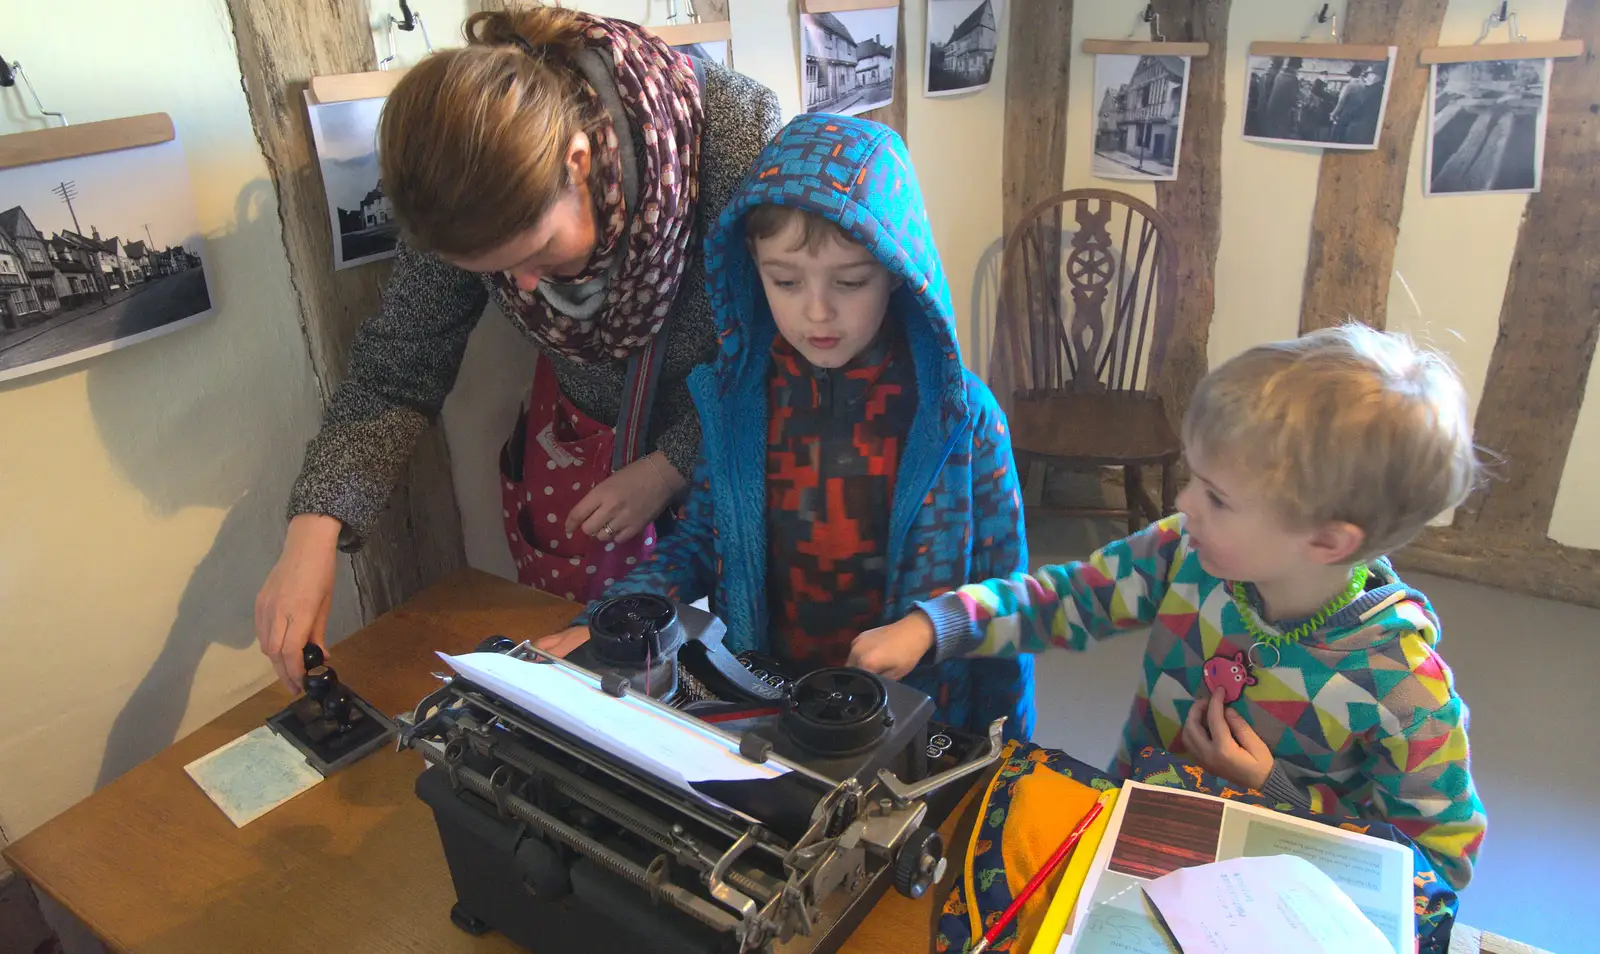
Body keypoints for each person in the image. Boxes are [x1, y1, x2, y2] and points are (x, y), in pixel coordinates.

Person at [847, 324, 1487, 889]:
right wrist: (938, 624)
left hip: (1261, 906)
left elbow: (1434, 870)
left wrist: (1276, 793)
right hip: (1133, 844)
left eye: (1217, 497)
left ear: (1327, 539)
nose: (1185, 503)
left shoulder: (1406, 693)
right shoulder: (1185, 554)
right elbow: (1068, 598)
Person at [255, 5, 781, 691]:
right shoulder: (461, 194)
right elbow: (397, 371)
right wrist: (314, 527)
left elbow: (780, 355)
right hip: (593, 459)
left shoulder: (732, 142)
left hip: (737, 459)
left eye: (534, 252)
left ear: (579, 161)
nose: (523, 288)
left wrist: (671, 465)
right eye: (494, 273)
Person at [538, 114, 1036, 739]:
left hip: (915, 724)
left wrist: (1009, 753)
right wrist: (604, 621)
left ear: (899, 273)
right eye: (786, 280)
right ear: (752, 267)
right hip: (767, 706)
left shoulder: (964, 424)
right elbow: (696, 545)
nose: (817, 311)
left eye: (851, 281)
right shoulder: (740, 406)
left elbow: (1008, 602)